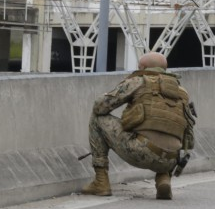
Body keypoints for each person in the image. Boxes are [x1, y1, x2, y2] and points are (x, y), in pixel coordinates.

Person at [81, 51, 195, 200]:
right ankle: (163, 179)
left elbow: (100, 107)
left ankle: (101, 182)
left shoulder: (139, 81)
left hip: (141, 151)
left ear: (143, 67)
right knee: (167, 129)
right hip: (172, 160)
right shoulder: (182, 92)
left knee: (97, 119)